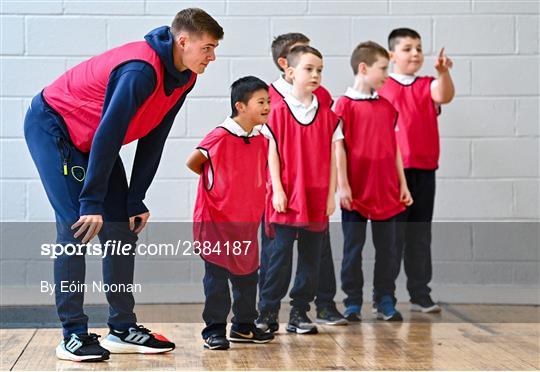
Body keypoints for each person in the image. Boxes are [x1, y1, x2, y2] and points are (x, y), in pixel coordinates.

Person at [23, 8, 223, 362]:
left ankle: (121, 328)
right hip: (56, 127)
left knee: (120, 230)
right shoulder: (140, 70)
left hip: (95, 141)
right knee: (78, 227)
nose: (212, 56)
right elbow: (110, 133)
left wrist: (135, 199)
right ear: (183, 41)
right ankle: (72, 333)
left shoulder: (185, 77)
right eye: (207, 48)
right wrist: (91, 201)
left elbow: (154, 137)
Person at [257, 33, 346, 333]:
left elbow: (334, 157)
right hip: (286, 199)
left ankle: (299, 313)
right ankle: (267, 313)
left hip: (317, 198)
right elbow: (272, 154)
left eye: (320, 69)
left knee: (311, 260)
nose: (316, 74)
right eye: (309, 69)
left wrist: (332, 195)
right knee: (278, 259)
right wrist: (278, 190)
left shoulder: (328, 115)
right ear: (289, 71)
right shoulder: (276, 111)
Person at [186, 76, 274, 350]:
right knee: (217, 279)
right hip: (215, 222)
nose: (267, 107)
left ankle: (243, 327)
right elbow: (193, 162)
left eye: (269, 102)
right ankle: (213, 330)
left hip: (245, 224)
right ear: (240, 106)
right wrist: (216, 184)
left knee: (248, 277)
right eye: (261, 102)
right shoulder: (219, 136)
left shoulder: (261, 139)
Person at [335, 41, 413, 322]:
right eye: (383, 69)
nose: (387, 74)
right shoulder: (343, 106)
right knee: (352, 251)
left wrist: (402, 185)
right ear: (364, 68)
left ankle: (385, 299)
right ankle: (353, 301)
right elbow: (338, 148)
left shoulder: (387, 107)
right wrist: (343, 185)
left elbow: (394, 150)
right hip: (355, 192)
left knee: (388, 251)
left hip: (387, 191)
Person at [378, 28, 455, 313]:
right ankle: (384, 294)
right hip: (392, 173)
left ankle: (420, 292)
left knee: (419, 234)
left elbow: (443, 95)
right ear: (391, 55)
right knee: (392, 236)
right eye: (408, 48)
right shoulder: (382, 87)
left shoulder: (427, 85)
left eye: (419, 48)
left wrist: (443, 73)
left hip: (424, 170)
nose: (415, 53)